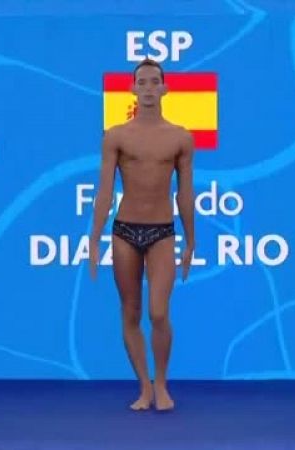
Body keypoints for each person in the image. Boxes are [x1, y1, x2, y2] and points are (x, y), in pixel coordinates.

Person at [89, 58, 195, 412]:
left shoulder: (181, 137)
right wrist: (93, 238)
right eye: (142, 82)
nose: (148, 88)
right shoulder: (116, 136)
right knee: (131, 313)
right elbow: (104, 191)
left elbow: (185, 193)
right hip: (124, 232)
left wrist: (191, 240)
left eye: (154, 82)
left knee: (159, 313)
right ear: (132, 89)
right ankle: (145, 386)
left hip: (163, 232)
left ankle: (162, 382)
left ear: (165, 89)